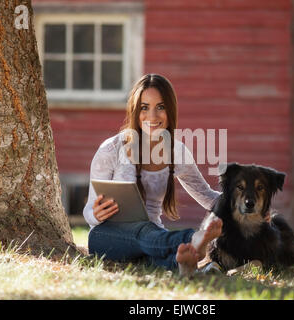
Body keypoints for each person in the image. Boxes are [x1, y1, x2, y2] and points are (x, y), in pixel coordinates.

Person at [83, 74, 222, 276]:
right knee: (144, 233)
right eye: (144, 108)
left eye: (161, 107)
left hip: (153, 238)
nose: (152, 117)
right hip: (106, 235)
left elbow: (207, 195)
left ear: (170, 110)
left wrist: (247, 208)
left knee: (153, 247)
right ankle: (192, 238)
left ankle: (185, 265)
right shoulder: (111, 150)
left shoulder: (177, 152)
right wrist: (95, 215)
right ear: (134, 111)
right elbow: (88, 211)